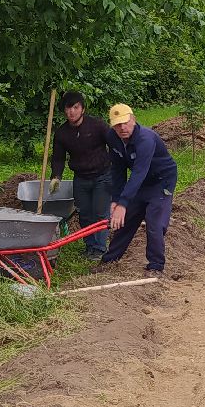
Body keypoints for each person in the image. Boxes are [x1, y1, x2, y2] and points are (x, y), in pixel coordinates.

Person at [99, 103, 179, 274]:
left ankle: (156, 265)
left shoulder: (145, 139)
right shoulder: (112, 137)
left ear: (133, 120)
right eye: (117, 124)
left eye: (125, 122)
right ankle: (110, 259)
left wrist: (123, 203)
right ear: (112, 125)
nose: (122, 128)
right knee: (127, 219)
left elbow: (138, 172)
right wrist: (116, 200)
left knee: (154, 222)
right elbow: (117, 169)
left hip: (162, 181)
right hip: (142, 182)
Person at [48, 91, 112, 258]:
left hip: (102, 175)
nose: (72, 112)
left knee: (100, 213)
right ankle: (90, 246)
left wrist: (117, 165)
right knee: (84, 214)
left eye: (76, 107)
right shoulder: (62, 133)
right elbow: (58, 158)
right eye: (68, 108)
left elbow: (114, 143)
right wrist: (56, 176)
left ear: (82, 109)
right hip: (81, 178)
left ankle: (100, 248)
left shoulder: (97, 126)